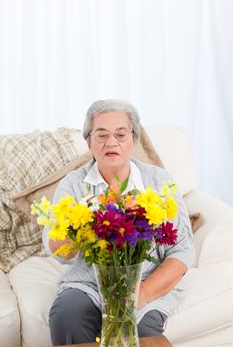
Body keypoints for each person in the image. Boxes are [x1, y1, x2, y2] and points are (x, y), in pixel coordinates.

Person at [43, 99, 195, 345]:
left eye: (120, 134)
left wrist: (141, 294)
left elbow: (183, 248)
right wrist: (85, 220)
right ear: (89, 142)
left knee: (141, 327)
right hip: (89, 283)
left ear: (134, 140)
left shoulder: (158, 181)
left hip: (146, 282)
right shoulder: (73, 184)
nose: (111, 142)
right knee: (66, 317)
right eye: (101, 135)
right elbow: (59, 251)